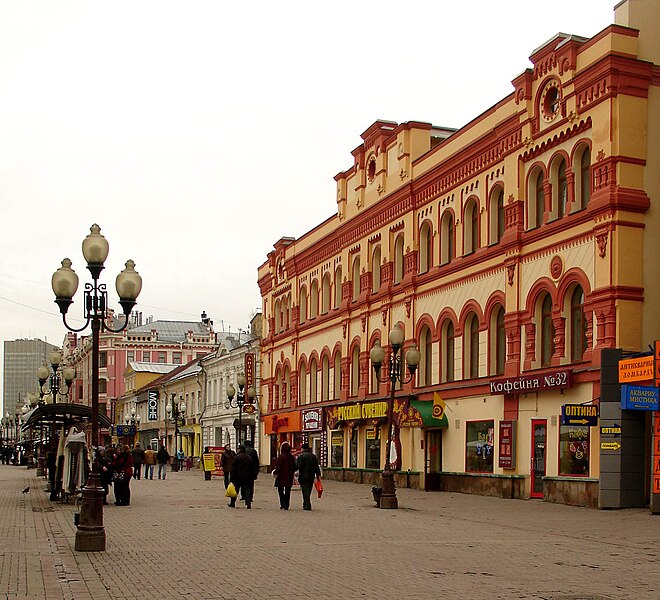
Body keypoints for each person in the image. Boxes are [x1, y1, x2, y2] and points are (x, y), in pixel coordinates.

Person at [296, 442, 321, 511]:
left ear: (303, 449)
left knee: (305, 490)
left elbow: (298, 466)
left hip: (303, 476)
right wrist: (318, 475)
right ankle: (305, 504)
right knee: (309, 490)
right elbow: (316, 467)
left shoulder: (301, 456)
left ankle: (307, 505)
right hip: (311, 476)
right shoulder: (313, 456)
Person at [272, 442, 297, 510]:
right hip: (289, 476)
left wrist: (275, 472)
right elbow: (294, 466)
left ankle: (283, 503)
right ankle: (287, 504)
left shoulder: (281, 457)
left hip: (281, 477)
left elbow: (278, 466)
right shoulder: (291, 457)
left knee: (280, 490)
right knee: (288, 490)